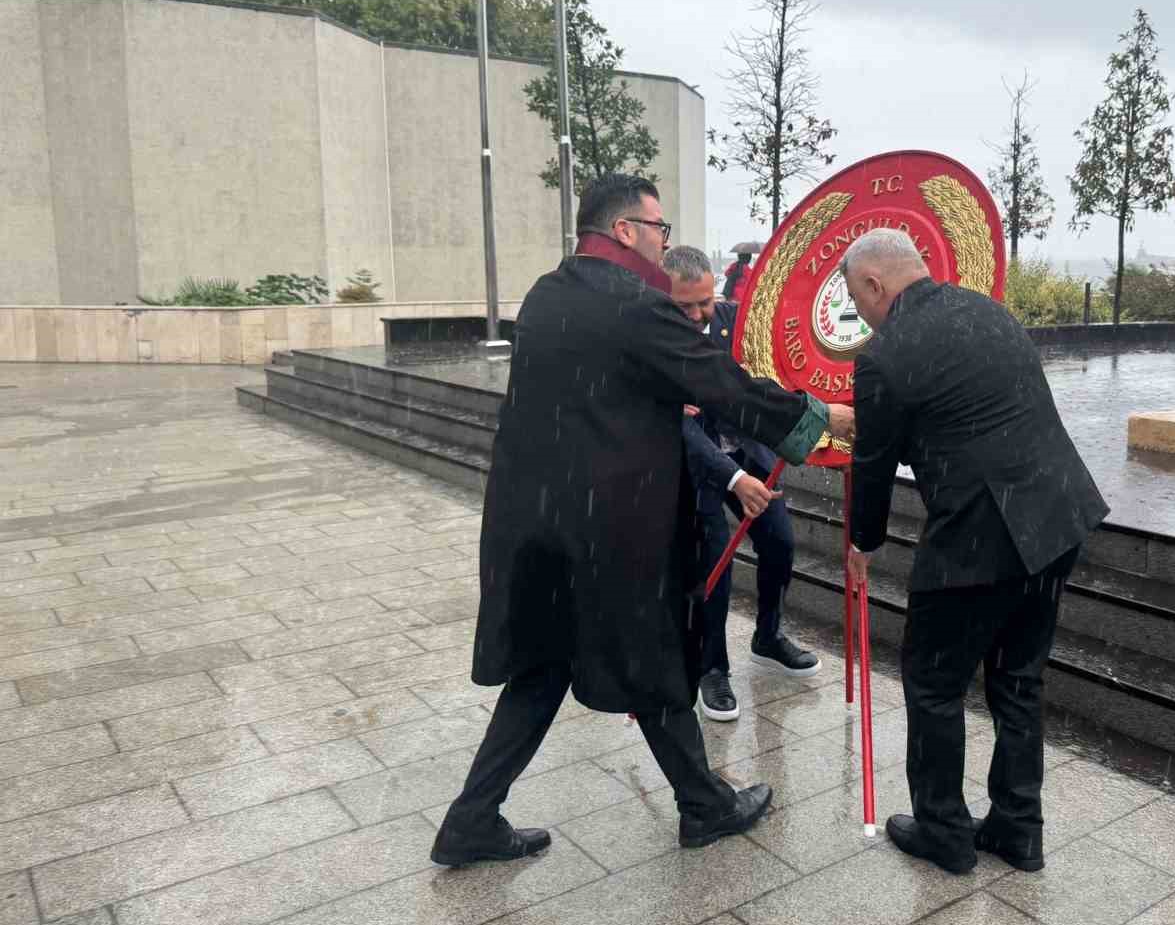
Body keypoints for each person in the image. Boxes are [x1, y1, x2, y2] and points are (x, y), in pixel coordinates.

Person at [430, 174, 853, 867]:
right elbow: (720, 381)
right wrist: (816, 418)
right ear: (626, 230)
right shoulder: (635, 305)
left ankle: (472, 819)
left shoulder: (546, 295)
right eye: (658, 227)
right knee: (652, 658)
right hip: (608, 532)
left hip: (535, 524)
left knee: (542, 669)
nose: (665, 239)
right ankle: (704, 806)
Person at [840, 228, 1108, 876]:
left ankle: (944, 832)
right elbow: (965, 414)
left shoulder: (885, 356)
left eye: (857, 300)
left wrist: (860, 543)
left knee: (933, 684)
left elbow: (873, 467)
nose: (862, 316)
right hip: (1057, 520)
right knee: (1017, 681)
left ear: (876, 285)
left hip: (978, 540)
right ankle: (1020, 829)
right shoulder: (988, 312)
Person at [661, 246, 821, 724]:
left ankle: (767, 637)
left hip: (748, 452)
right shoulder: (658, 341)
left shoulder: (739, 322)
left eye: (704, 303)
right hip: (697, 467)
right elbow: (681, 427)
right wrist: (733, 476)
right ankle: (713, 668)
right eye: (683, 306)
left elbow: (766, 382)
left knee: (781, 543)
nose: (696, 315)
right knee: (714, 563)